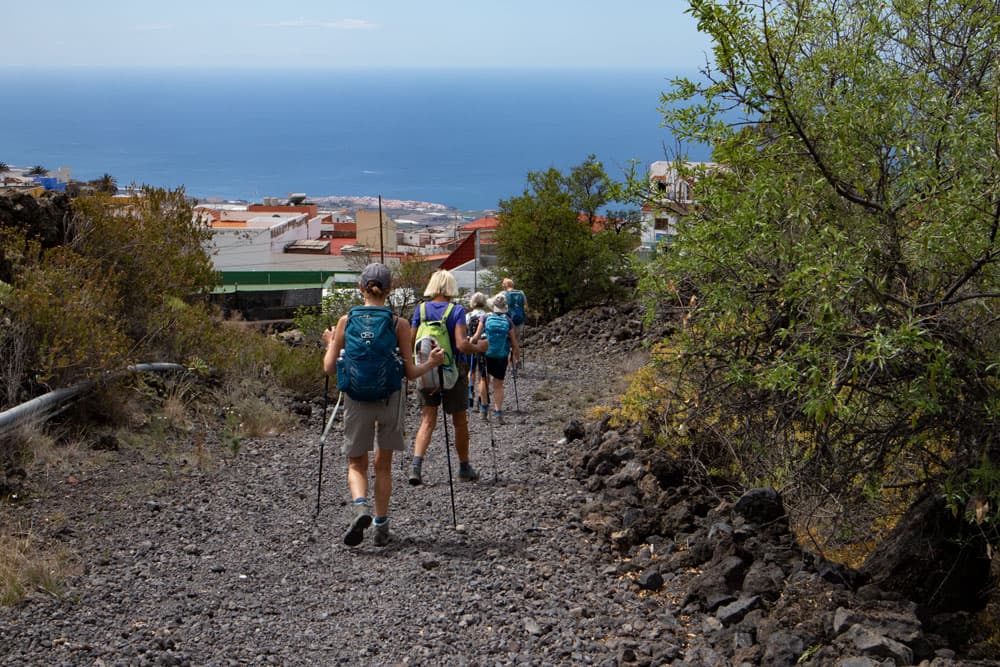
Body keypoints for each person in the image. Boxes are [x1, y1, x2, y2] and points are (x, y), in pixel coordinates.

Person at [322, 263, 444, 548]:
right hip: (390, 397)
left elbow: (328, 368)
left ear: (360, 288)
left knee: (356, 462)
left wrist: (330, 342)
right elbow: (410, 373)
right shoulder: (398, 324)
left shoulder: (346, 321)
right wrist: (432, 363)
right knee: (383, 464)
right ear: (389, 290)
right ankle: (381, 525)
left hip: (356, 398)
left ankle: (360, 506)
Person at [408, 269, 488, 486]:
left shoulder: (420, 309)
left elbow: (411, 342)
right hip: (453, 371)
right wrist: (479, 347)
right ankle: (464, 467)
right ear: (450, 287)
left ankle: (416, 467)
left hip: (426, 370)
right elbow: (461, 345)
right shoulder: (456, 310)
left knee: (427, 420)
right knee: (459, 421)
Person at [481, 293, 520, 424]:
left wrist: (472, 345)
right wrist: (516, 357)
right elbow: (514, 342)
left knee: (484, 381)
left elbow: (477, 336)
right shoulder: (508, 320)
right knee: (498, 385)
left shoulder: (485, 317)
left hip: (486, 353)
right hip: (501, 355)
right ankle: (498, 413)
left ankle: (484, 410)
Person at [465, 291, 489, 411]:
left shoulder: (468, 315)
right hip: (482, 344)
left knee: (471, 369)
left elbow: (465, 328)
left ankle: (470, 394)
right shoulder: (486, 315)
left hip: (470, 343)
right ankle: (481, 397)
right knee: (482, 372)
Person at [501, 278, 528, 347]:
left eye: (503, 284)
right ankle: (515, 353)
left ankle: (508, 353)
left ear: (505, 285)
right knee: (516, 342)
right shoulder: (521, 293)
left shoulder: (503, 294)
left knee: (507, 342)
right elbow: (525, 306)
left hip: (508, 320)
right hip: (519, 320)